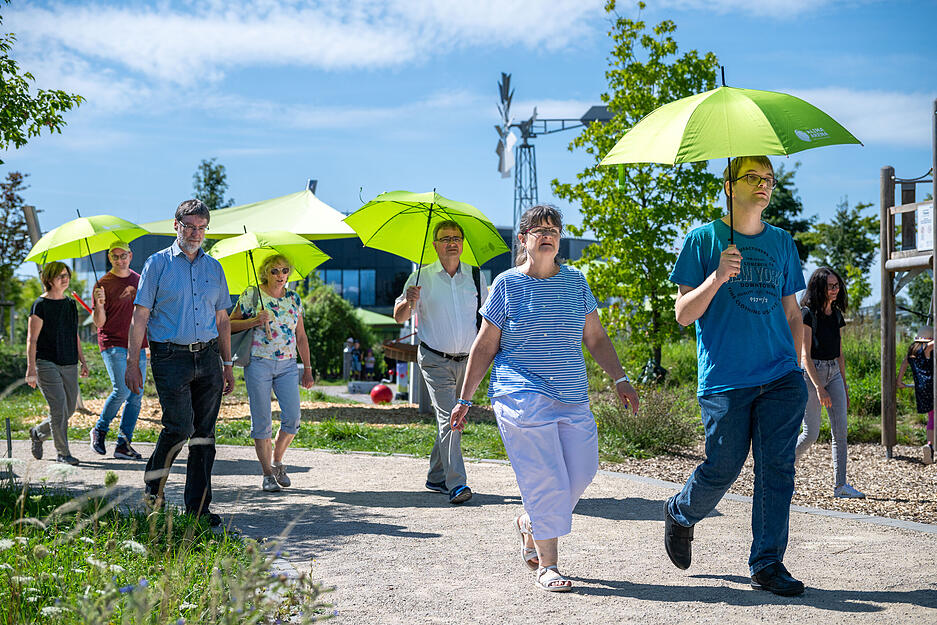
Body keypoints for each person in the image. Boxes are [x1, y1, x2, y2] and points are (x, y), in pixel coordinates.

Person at [450, 205, 639, 592]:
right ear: (523, 240)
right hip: (520, 390)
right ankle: (548, 566)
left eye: (553, 228)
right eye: (538, 229)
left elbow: (596, 337)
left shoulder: (576, 282)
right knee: (546, 478)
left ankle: (531, 522)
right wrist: (465, 399)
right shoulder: (506, 284)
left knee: (583, 470)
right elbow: (486, 345)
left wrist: (620, 377)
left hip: (571, 393)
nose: (547, 234)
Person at [665, 156, 808, 597]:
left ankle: (767, 563)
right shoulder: (703, 240)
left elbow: (791, 311)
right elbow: (683, 315)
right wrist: (717, 277)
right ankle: (682, 512)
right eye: (752, 177)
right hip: (726, 379)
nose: (763, 185)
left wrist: (800, 363)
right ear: (729, 185)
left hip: (781, 377)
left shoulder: (782, 242)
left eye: (768, 178)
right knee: (724, 465)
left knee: (776, 470)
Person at [125, 199, 235, 527]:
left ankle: (198, 509)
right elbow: (140, 315)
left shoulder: (214, 268)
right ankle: (153, 490)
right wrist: (133, 362)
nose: (196, 233)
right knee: (179, 427)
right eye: (190, 226)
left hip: (209, 356)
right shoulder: (157, 264)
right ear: (176, 225)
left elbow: (223, 319)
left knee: (204, 435)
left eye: (201, 227)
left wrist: (227, 363)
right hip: (169, 356)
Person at [393, 219, 488, 505]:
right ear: (435, 245)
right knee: (451, 418)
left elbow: (486, 318)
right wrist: (409, 301)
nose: (452, 242)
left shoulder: (474, 275)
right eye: (445, 238)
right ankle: (457, 484)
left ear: (462, 243)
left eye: (456, 237)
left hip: (468, 361)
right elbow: (399, 317)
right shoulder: (420, 277)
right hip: (434, 359)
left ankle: (436, 475)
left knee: (449, 419)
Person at [229, 254, 315, 492]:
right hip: (258, 363)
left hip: (288, 365)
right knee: (262, 422)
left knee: (293, 419)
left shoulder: (294, 298)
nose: (280, 275)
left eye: (285, 270)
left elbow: (301, 336)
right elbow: (229, 324)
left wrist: (307, 369)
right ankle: (267, 474)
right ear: (265, 272)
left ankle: (277, 461)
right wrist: (254, 321)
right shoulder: (252, 294)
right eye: (275, 271)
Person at [795, 267, 864, 497]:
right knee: (810, 434)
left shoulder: (836, 315)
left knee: (841, 432)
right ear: (819, 287)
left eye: (837, 286)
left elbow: (840, 354)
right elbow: (805, 356)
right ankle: (780, 471)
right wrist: (819, 387)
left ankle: (840, 485)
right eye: (830, 286)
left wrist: (843, 385)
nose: (835, 290)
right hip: (812, 374)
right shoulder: (807, 313)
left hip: (833, 372)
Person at [26, 262, 90, 465]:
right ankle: (63, 452)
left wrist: (83, 360)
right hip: (46, 363)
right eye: (60, 275)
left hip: (69, 362)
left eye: (67, 275)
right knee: (58, 407)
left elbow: (74, 335)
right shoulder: (40, 305)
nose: (65, 278)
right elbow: (32, 339)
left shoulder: (71, 304)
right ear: (49, 279)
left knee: (69, 409)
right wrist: (30, 368)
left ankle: (38, 432)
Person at [89, 240, 148, 461]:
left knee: (136, 395)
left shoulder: (139, 281)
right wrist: (100, 304)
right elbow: (99, 323)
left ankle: (123, 444)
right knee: (122, 389)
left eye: (123, 255)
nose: (120, 259)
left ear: (131, 256)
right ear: (109, 258)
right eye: (115, 256)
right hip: (112, 342)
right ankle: (100, 430)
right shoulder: (102, 284)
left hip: (137, 344)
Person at [897, 326, 935, 465]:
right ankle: (931, 445)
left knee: (931, 416)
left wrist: (899, 381)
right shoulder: (927, 348)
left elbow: (903, 364)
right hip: (932, 386)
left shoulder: (912, 350)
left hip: (920, 388)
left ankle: (930, 446)